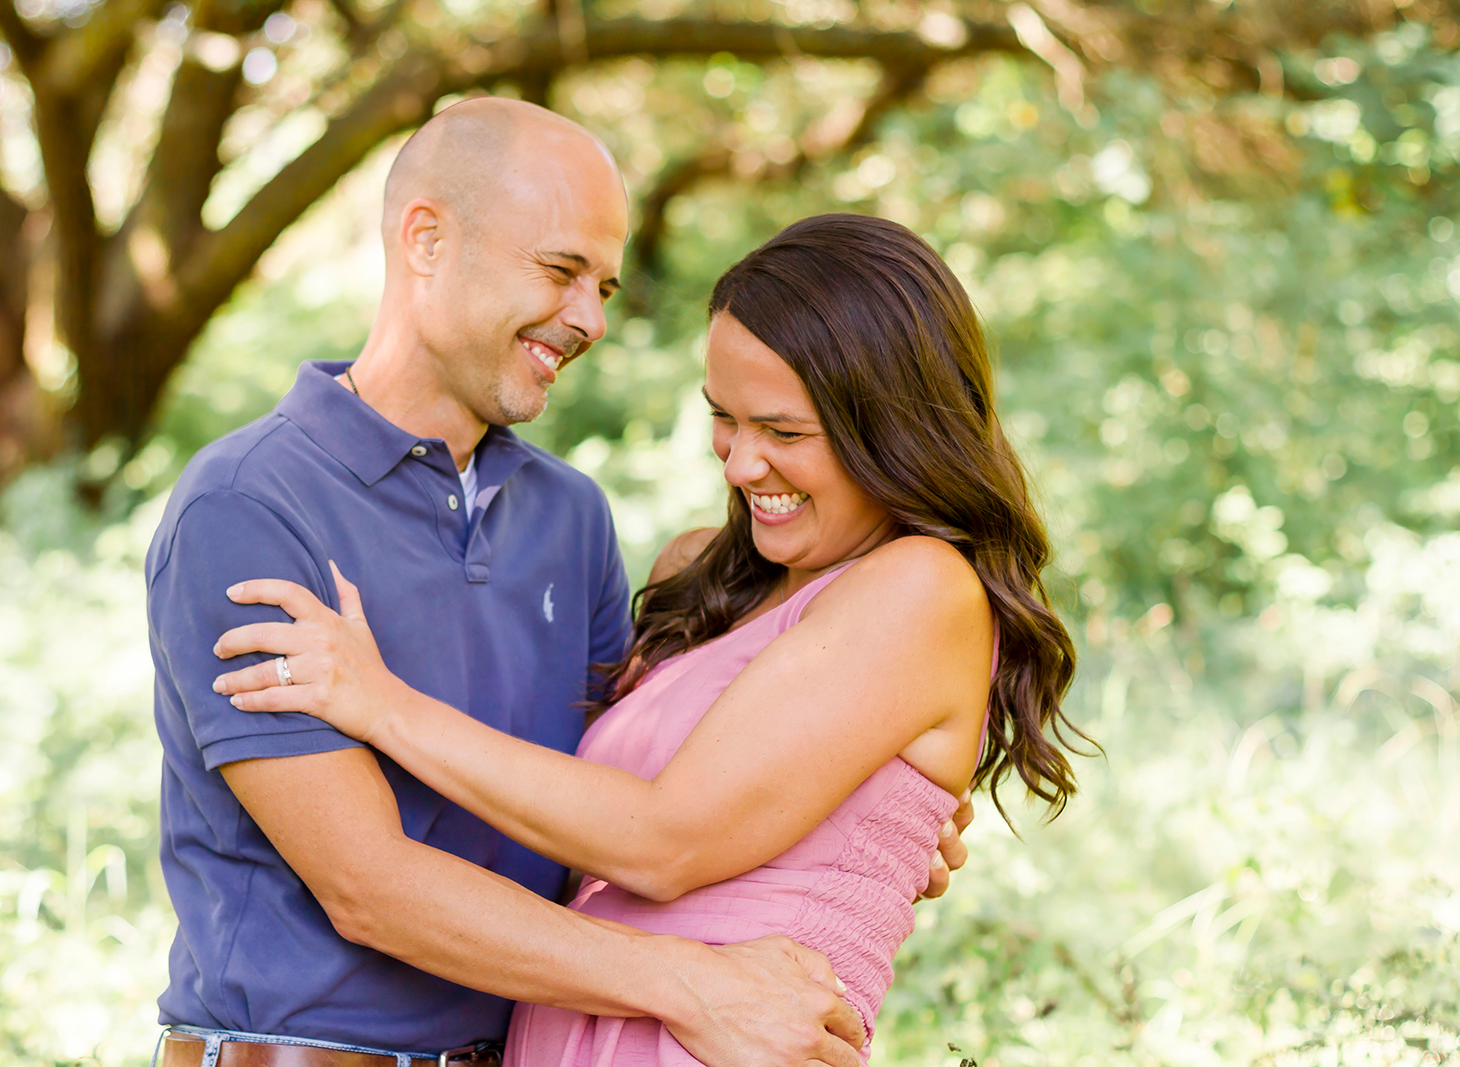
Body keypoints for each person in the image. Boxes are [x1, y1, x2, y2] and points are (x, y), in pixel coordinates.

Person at [148, 98, 969, 1067]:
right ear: (426, 238)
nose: (589, 319)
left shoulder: (568, 520)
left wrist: (860, 799)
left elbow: (621, 799)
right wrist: (689, 981)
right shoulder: (248, 504)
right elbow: (365, 884)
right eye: (560, 270)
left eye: (606, 286)